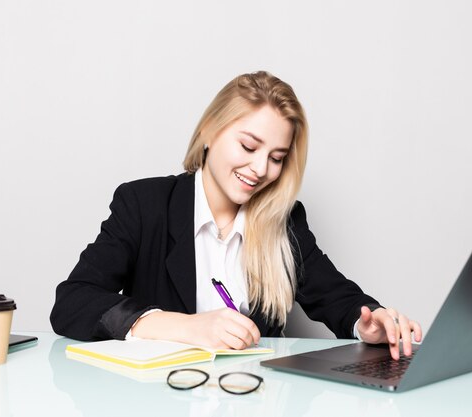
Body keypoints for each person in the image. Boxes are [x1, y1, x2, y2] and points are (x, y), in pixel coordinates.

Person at [50, 71, 422, 360]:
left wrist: (369, 323)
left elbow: (337, 297)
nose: (261, 169)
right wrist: (183, 327)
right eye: (248, 145)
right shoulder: (143, 203)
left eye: (277, 158)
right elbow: (72, 301)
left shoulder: (284, 219)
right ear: (209, 131)